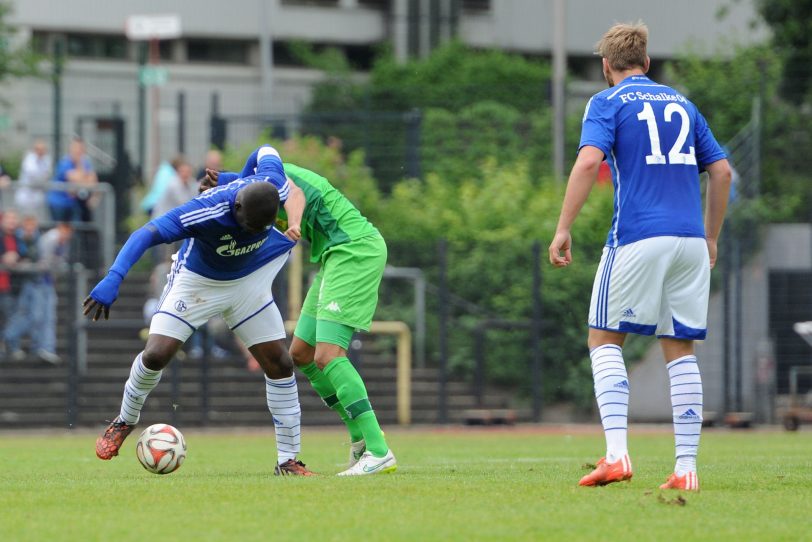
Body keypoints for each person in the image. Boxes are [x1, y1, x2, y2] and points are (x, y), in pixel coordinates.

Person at [548, 22, 732, 492]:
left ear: (606, 67)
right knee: (680, 348)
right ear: (647, 63)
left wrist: (563, 228)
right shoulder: (683, 103)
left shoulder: (606, 102)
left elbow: (589, 161)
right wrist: (710, 237)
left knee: (603, 340)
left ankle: (616, 457)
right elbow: (722, 171)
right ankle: (686, 469)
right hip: (690, 240)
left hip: (637, 238)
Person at [85, 145, 315, 476]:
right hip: (198, 283)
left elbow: (266, 150)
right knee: (156, 354)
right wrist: (113, 277)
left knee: (280, 363)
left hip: (249, 280)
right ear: (235, 206)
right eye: (246, 224)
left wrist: (236, 175)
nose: (249, 231)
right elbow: (146, 233)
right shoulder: (205, 210)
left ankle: (287, 460)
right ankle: (124, 420)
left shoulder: (273, 184)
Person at [206, 149, 397, 476]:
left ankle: (380, 451)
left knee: (328, 354)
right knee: (303, 354)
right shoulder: (253, 190)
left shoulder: (279, 177)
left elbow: (292, 193)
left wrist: (293, 223)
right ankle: (360, 442)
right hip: (332, 258)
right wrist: (219, 180)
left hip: (354, 251)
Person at [4, 219, 70, 364]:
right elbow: (37, 259)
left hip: (43, 282)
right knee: (32, 316)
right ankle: (10, 338)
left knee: (44, 316)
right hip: (32, 282)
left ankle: (44, 348)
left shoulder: (43, 239)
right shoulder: (38, 240)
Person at [48, 138, 98, 222]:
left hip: (73, 204)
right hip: (59, 203)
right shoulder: (64, 162)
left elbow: (93, 182)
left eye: (80, 149)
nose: (78, 151)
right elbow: (76, 181)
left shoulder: (85, 162)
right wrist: (82, 171)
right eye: (76, 148)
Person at [15, 139, 52, 220]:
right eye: (38, 149)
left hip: (38, 194)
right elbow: (33, 176)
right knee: (23, 219)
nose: (40, 151)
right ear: (34, 149)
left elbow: (47, 174)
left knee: (37, 219)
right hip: (25, 194)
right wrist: (42, 177)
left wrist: (42, 177)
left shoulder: (47, 159)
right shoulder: (29, 159)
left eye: (42, 149)